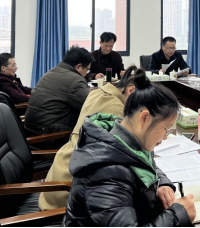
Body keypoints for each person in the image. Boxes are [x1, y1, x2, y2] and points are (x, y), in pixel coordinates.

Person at [63, 74, 196, 227]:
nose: (166, 137)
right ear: (144, 117)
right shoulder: (107, 172)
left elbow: (143, 163)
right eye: (166, 128)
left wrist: (162, 183)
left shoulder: (126, 138)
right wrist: (178, 215)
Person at [40, 66, 141, 211]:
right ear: (131, 90)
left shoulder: (98, 92)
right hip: (69, 191)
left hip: (58, 174)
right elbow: (123, 156)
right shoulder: (115, 108)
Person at [24, 46, 94, 135]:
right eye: (87, 70)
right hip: (50, 134)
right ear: (79, 67)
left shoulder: (50, 72)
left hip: (30, 128)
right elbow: (91, 106)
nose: (86, 73)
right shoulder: (76, 80)